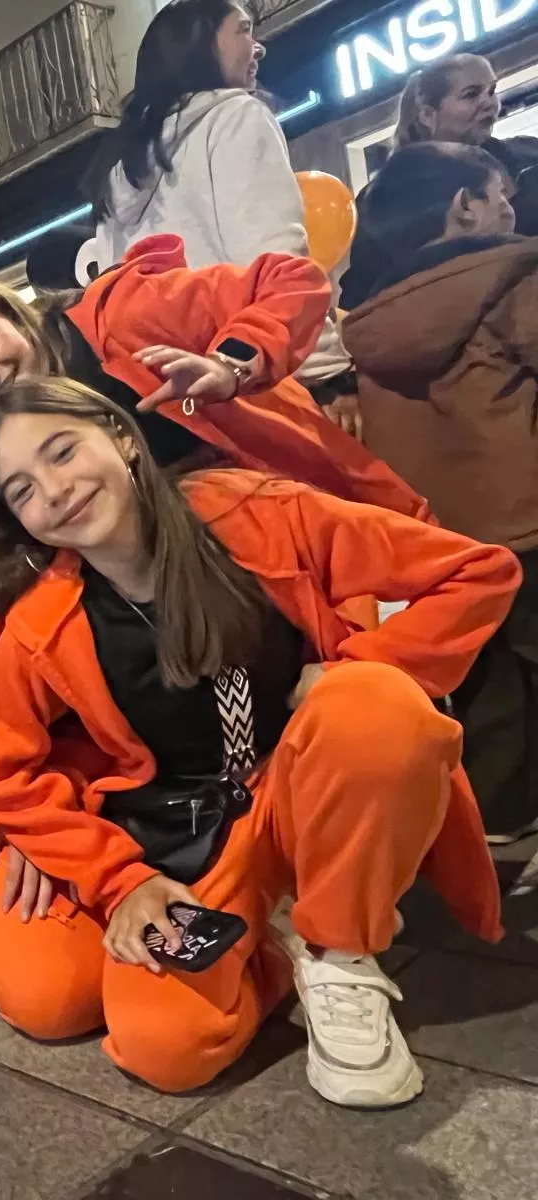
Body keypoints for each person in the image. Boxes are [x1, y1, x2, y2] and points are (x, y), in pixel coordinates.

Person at [0, 374, 515, 1107]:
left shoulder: (256, 512)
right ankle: (274, 937)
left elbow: (477, 572)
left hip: (304, 790)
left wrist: (363, 666)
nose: (54, 491)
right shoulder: (43, 623)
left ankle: (338, 950)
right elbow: (2, 772)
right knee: (166, 1050)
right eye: (23, 491)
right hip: (191, 834)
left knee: (372, 702)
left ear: (122, 437)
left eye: (62, 452)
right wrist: (120, 880)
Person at [0, 252, 427, 520]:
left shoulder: (123, 317)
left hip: (328, 524)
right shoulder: (4, 441)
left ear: (13, 314)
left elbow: (292, 279)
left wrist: (231, 364)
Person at [343, 142, 538, 842]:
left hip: (438, 537)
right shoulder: (511, 273)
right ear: (463, 206)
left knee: (485, 679)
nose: (511, 212)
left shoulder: (369, 318)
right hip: (527, 514)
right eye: (499, 197)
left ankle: (502, 815)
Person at [86, 1, 353, 410]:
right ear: (201, 45)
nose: (258, 47)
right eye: (244, 30)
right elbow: (276, 260)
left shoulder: (121, 166)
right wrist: (326, 376)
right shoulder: (235, 116)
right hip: (254, 376)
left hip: (171, 393)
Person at [342, 52, 538, 310]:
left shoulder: (527, 152)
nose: (489, 103)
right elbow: (365, 291)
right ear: (427, 114)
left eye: (491, 90)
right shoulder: (386, 195)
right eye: (471, 94)